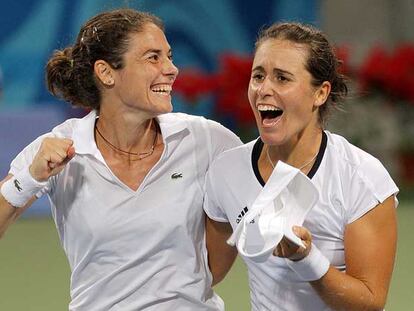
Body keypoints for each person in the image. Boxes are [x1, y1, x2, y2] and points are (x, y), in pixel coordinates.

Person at [0, 9, 242, 310]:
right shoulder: (60, 145)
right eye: (153, 58)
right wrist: (29, 178)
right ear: (106, 73)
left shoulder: (207, 139)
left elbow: (261, 199)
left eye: (169, 56)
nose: (172, 69)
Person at [204, 22, 398, 311]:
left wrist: (307, 258)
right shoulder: (226, 171)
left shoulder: (363, 177)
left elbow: (369, 303)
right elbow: (208, 272)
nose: (264, 89)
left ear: (320, 93)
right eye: (258, 76)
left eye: (282, 78)